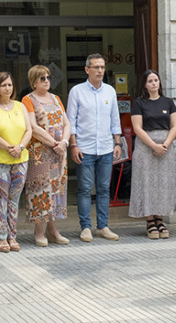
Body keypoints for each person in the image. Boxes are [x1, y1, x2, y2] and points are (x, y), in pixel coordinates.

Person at [66, 53, 122, 242]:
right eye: (96, 67)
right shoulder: (77, 91)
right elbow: (70, 121)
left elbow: (115, 119)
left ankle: (103, 226)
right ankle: (86, 227)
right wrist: (73, 145)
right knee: (84, 188)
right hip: (85, 148)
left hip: (106, 147)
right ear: (87, 69)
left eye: (102, 67)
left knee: (104, 188)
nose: (100, 71)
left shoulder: (110, 91)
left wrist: (118, 143)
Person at [21, 65, 71, 247]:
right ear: (33, 81)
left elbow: (66, 123)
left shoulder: (56, 98)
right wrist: (53, 143)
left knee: (56, 189)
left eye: (48, 77)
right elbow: (33, 127)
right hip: (40, 151)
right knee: (40, 189)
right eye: (42, 78)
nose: (47, 81)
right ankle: (39, 230)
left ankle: (53, 229)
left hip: (58, 152)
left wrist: (64, 142)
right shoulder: (28, 100)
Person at [128, 69, 176, 239]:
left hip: (166, 147)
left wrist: (164, 144)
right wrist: (153, 145)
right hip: (145, 148)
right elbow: (137, 128)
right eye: (150, 81)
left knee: (163, 183)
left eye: (156, 80)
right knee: (147, 183)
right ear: (144, 84)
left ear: (159, 83)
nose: (153, 83)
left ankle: (160, 218)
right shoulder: (139, 103)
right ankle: (150, 220)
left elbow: (174, 126)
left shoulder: (168, 102)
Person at [0, 71, 32, 252]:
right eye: (3, 85)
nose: (7, 88)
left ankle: (13, 236)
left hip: (20, 158)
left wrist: (19, 147)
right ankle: (1, 237)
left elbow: (28, 130)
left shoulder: (20, 106)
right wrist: (8, 147)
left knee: (14, 199)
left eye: (10, 85)